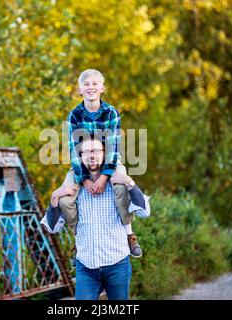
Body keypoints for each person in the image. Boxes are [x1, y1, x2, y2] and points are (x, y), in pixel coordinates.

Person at [41, 137, 150, 300]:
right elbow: (53, 228)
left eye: (96, 151)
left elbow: (144, 212)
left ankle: (130, 237)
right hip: (86, 266)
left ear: (104, 154)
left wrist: (130, 182)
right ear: (80, 157)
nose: (92, 155)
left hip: (117, 263)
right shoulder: (73, 188)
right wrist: (54, 198)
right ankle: (75, 249)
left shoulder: (118, 182)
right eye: (87, 152)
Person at [53, 68, 142, 261]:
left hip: (108, 160)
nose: (90, 87)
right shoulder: (74, 115)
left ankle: (129, 234)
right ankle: (79, 240)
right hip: (83, 162)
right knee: (65, 199)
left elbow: (113, 146)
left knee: (119, 186)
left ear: (102, 88)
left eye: (94, 84)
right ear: (79, 90)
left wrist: (104, 177)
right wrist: (83, 179)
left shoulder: (111, 113)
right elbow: (73, 150)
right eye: (86, 84)